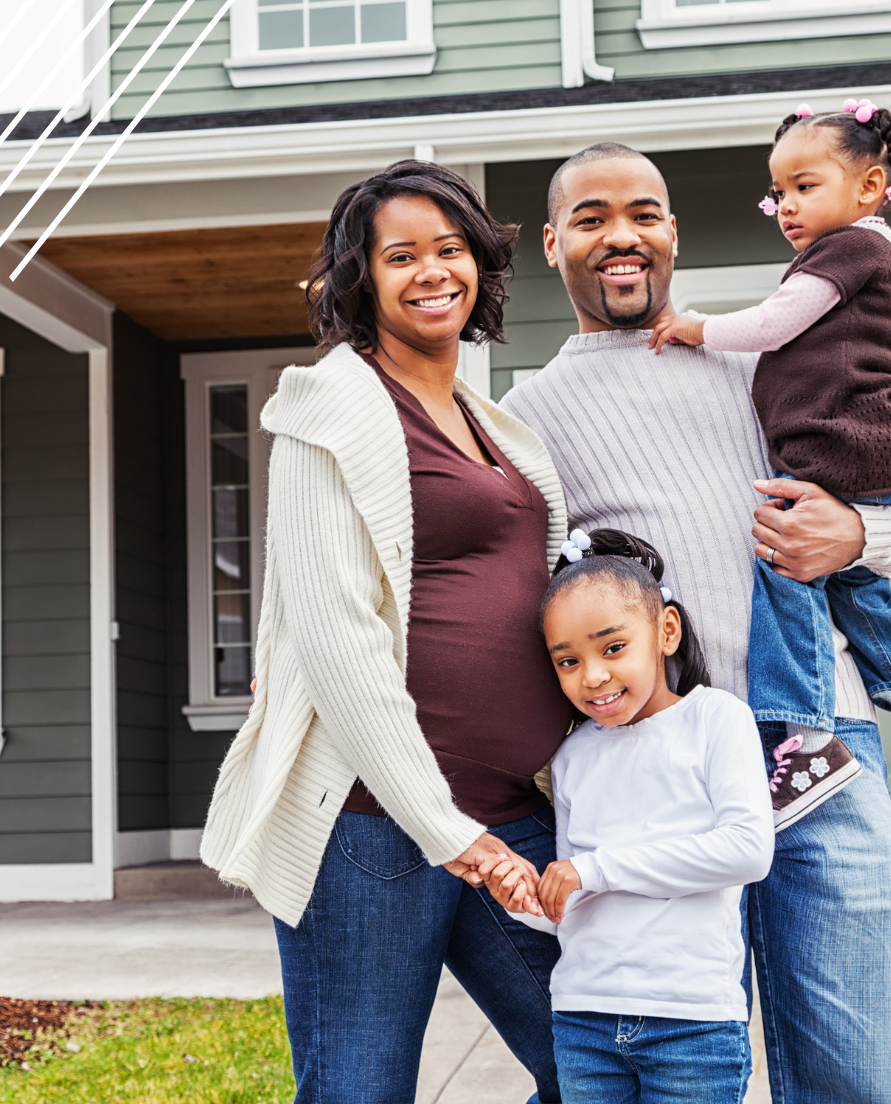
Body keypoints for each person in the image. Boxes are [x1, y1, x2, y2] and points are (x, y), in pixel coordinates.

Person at [501, 141, 891, 1103]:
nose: (621, 236)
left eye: (643, 213)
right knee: (675, 1071)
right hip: (659, 777)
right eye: (590, 218)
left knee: (853, 1074)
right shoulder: (526, 416)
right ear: (551, 244)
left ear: (672, 231)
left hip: (821, 746)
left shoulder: (762, 350)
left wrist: (857, 530)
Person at [200, 160, 571, 1104]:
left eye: (450, 249)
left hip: (511, 817)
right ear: (361, 279)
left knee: (608, 1068)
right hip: (372, 826)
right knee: (359, 1093)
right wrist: (448, 831)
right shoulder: (333, 406)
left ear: (482, 265)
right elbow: (338, 643)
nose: (431, 271)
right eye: (399, 255)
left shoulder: (489, 422)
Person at [648, 100, 891, 829]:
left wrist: (695, 328)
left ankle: (810, 742)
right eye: (778, 191)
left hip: (843, 446)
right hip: (865, 447)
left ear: (870, 187)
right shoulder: (863, 251)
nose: (785, 205)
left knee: (786, 569)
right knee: (860, 593)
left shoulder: (851, 249)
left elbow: (775, 323)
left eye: (805, 186)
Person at [481, 528, 774, 1104]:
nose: (591, 676)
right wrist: (530, 902)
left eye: (612, 648)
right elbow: (576, 903)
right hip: (583, 1019)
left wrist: (595, 870)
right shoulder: (570, 757)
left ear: (666, 631)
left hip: (691, 1023)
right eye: (568, 661)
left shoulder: (717, 720)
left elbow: (747, 850)